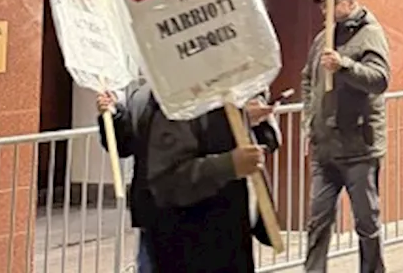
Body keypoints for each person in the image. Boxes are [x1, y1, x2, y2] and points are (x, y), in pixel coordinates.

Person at [302, 0, 391, 273]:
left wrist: (346, 66)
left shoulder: (369, 35)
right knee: (318, 219)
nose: (324, 11)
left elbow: (379, 79)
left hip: (358, 148)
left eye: (331, 4)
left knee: (366, 222)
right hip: (324, 147)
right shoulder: (322, 39)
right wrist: (309, 121)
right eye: (322, 5)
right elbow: (308, 78)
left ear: (350, 3)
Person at [145, 95, 280, 273]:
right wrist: (228, 165)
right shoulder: (177, 102)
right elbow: (167, 182)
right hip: (190, 243)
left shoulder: (235, 94)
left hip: (234, 237)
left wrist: (254, 120)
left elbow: (268, 140)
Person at [96, 80, 160, 273]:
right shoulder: (143, 99)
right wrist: (113, 115)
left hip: (199, 210)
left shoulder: (208, 98)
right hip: (153, 211)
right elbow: (124, 145)